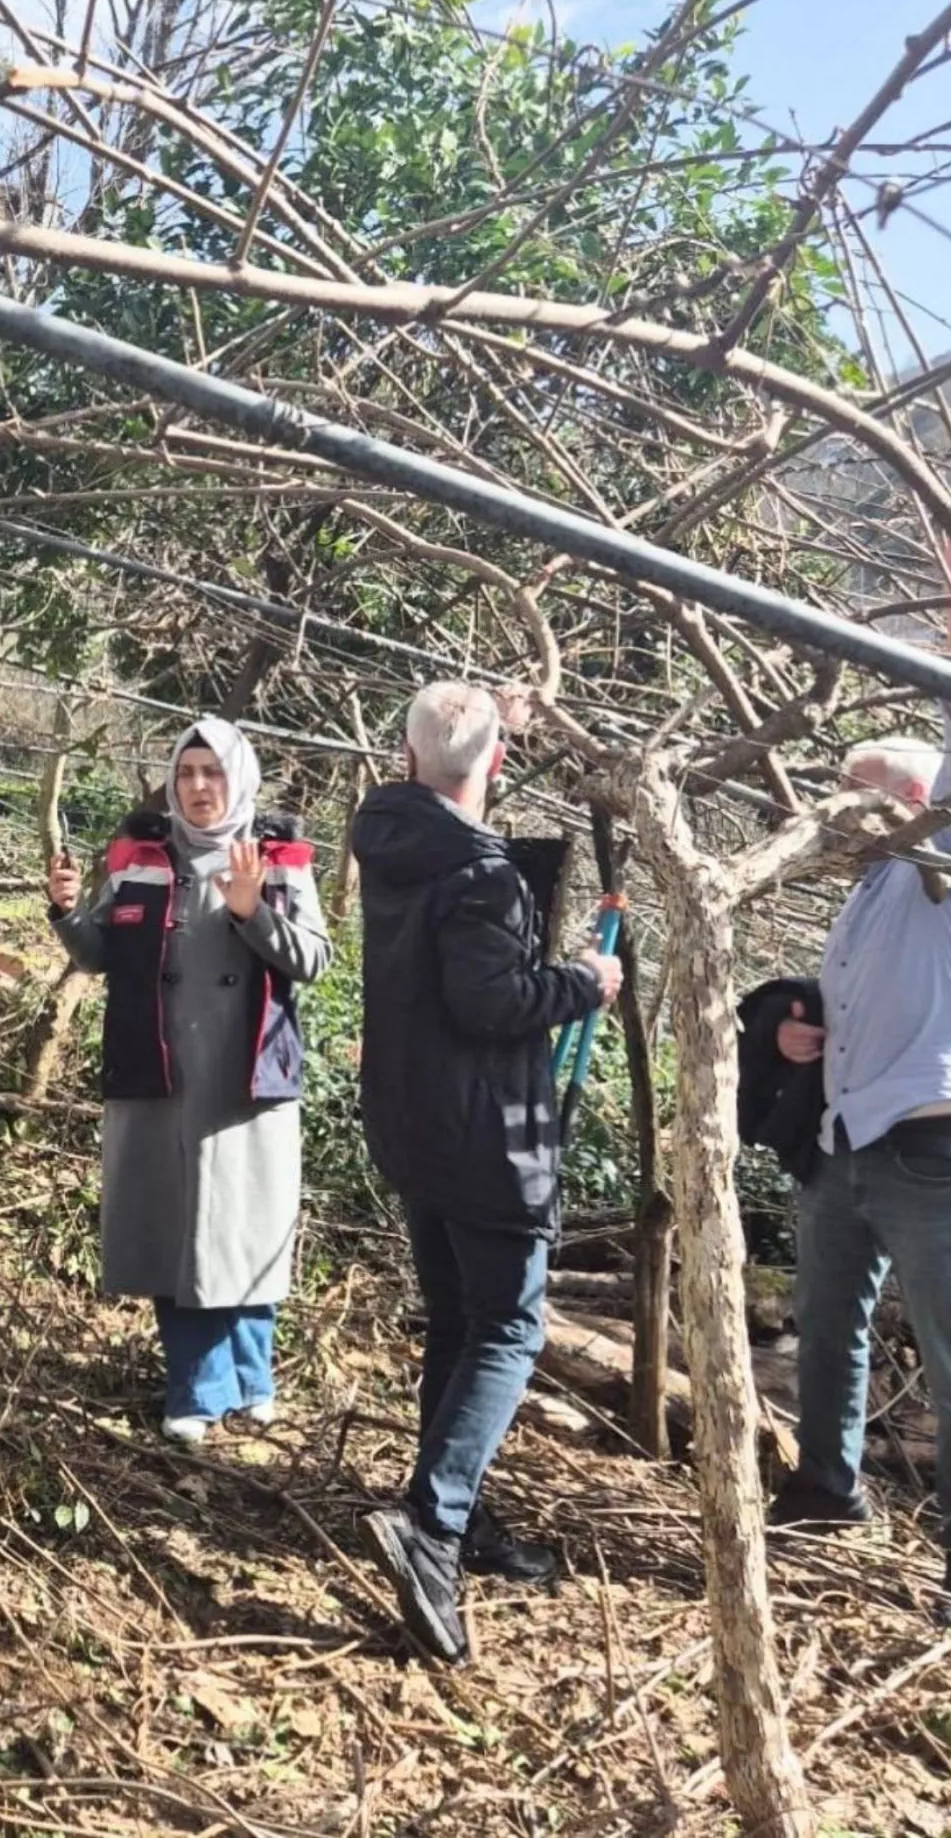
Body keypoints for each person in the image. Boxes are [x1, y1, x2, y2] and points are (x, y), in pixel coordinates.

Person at [350, 680, 615, 1666]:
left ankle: (458, 1513)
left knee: (460, 1325)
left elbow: (455, 766)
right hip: (486, 1133)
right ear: (496, 763)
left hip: (416, 1123)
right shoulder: (481, 874)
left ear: (407, 755)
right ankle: (433, 1519)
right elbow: (492, 1002)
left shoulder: (392, 836)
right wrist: (587, 981)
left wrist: (502, 722)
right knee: (507, 1327)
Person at [768, 711, 951, 1631]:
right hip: (849, 1145)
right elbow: (859, 1004)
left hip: (940, 1158)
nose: (834, 817)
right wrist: (800, 1033)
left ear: (911, 802)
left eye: (854, 798)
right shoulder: (867, 891)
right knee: (828, 1329)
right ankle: (825, 1485)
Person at [47, 720, 330, 1448]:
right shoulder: (142, 858)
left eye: (213, 773)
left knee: (245, 1225)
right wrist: (67, 911)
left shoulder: (279, 861)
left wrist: (250, 909)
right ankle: (196, 1392)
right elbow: (99, 954)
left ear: (240, 779)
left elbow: (312, 960)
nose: (199, 788)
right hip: (162, 1068)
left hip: (247, 1076)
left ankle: (251, 1378)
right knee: (182, 1230)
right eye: (186, 774)